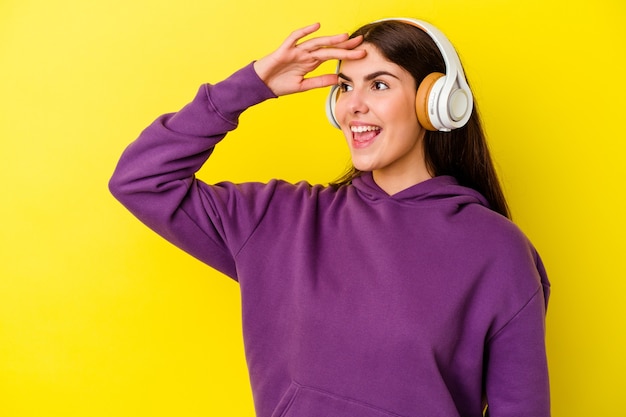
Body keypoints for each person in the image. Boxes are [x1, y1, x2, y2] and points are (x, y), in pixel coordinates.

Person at [109, 18, 551, 417]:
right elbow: (140, 180)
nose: (353, 104)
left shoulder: (497, 251)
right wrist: (249, 86)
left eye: (378, 84)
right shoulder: (279, 220)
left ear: (434, 102)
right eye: (345, 86)